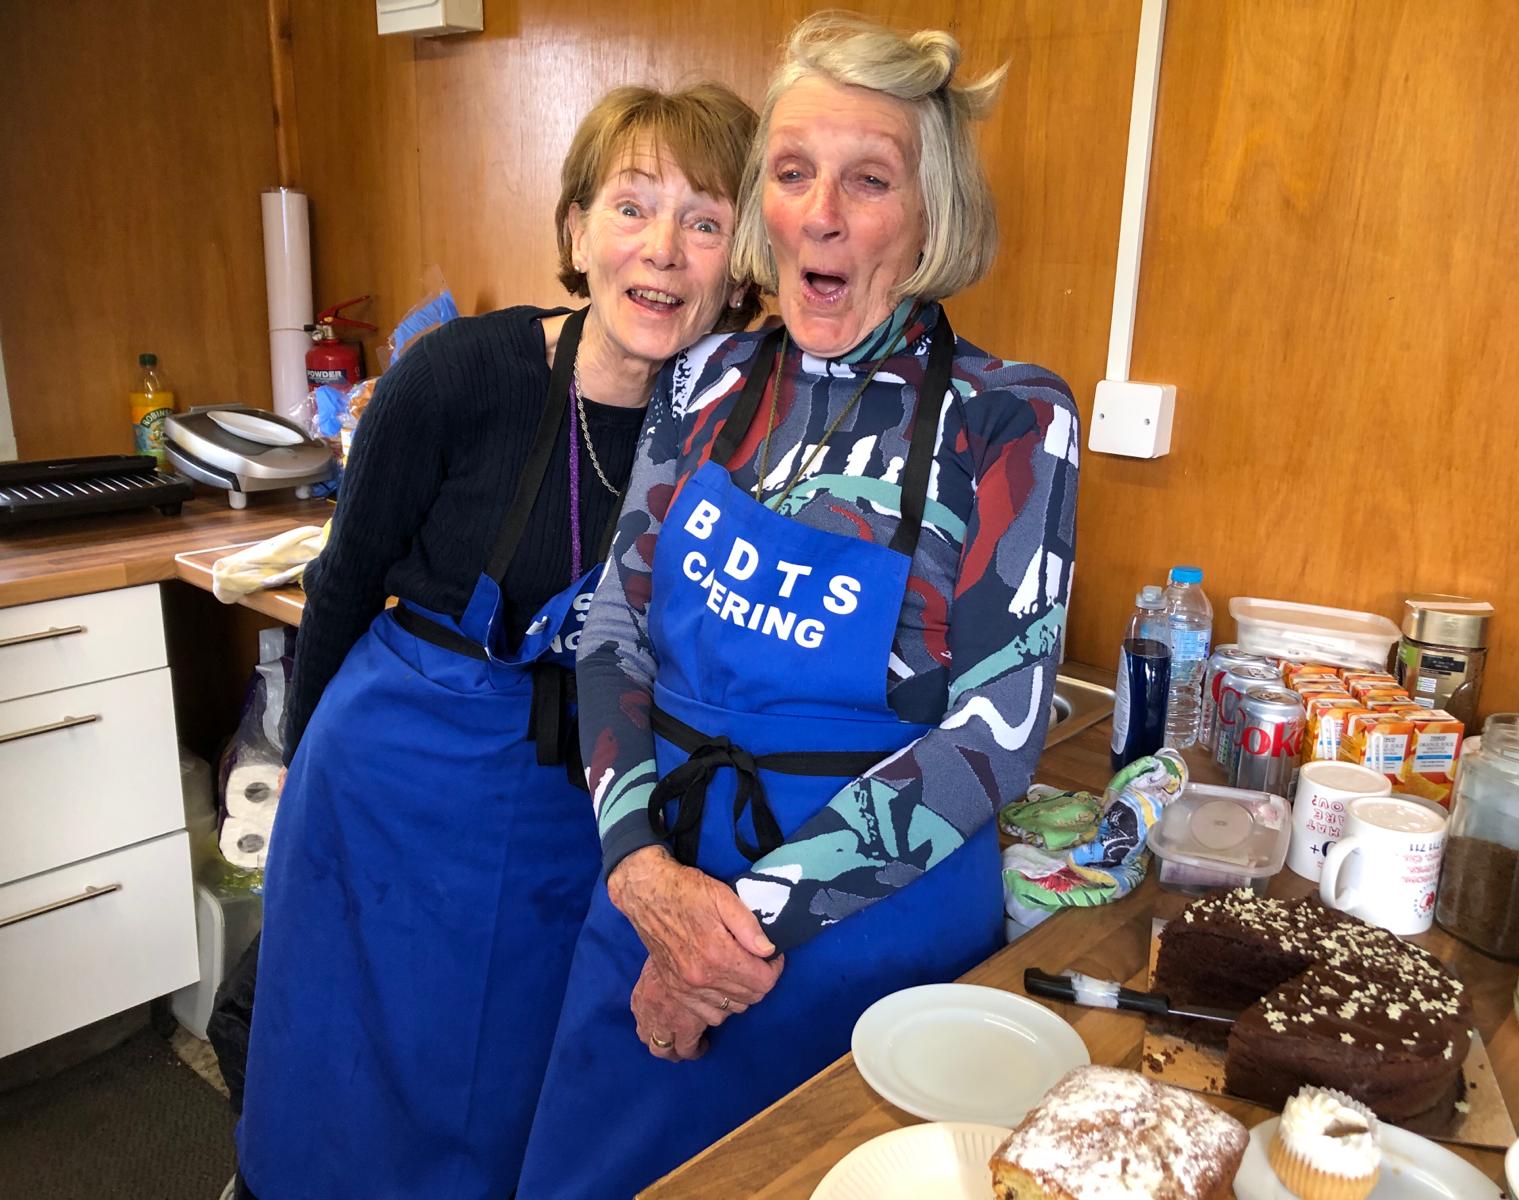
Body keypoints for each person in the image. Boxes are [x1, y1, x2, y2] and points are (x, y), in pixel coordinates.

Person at [516, 15, 1079, 1198]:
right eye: (790, 172)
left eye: (867, 180)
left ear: (930, 216)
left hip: (865, 943)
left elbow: (995, 737)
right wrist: (639, 874)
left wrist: (738, 931)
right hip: (655, 885)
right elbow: (612, 630)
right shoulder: (703, 379)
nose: (818, 214)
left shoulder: (1012, 420)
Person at [230, 82, 758, 1200]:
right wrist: (306, 800)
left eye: (705, 221)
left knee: (514, 1081)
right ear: (576, 230)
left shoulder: (737, 424)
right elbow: (342, 583)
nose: (663, 251)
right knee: (360, 1080)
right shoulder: (460, 375)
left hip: (582, 801)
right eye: (631, 207)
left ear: (737, 263)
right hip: (396, 783)